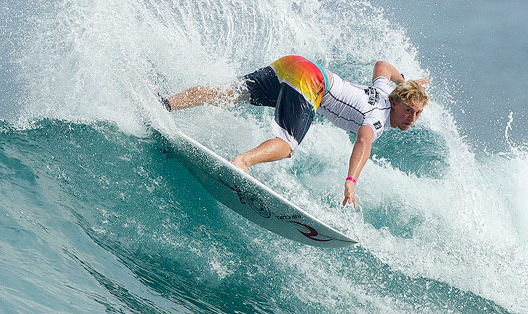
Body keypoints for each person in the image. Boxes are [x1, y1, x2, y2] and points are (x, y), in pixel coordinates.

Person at [160, 55, 430, 208]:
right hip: (312, 82)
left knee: (231, 93)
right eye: (408, 110)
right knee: (287, 144)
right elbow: (363, 141)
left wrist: (405, 82)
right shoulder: (379, 117)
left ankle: (167, 103)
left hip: (296, 63)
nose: (412, 119)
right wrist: (351, 180)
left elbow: (382, 66)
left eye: (417, 113)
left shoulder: (384, 90)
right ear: (395, 103)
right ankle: (242, 162)